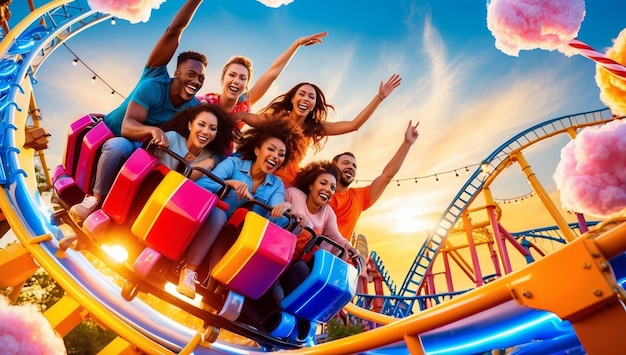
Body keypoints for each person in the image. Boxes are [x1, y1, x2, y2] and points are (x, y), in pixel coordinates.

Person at [70, 0, 206, 221]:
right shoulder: (154, 81)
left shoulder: (193, 108)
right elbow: (173, 31)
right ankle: (93, 200)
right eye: (191, 74)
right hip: (116, 135)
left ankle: (122, 218)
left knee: (156, 170)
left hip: (143, 152)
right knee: (120, 146)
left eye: (201, 78)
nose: (196, 81)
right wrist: (152, 131)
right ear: (177, 73)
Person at [177, 116, 306, 298]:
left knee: (261, 233)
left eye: (281, 154)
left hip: (238, 237)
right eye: (271, 149)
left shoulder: (276, 184)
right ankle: (189, 270)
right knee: (219, 215)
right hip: (209, 223)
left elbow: (276, 206)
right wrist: (229, 183)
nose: (275, 156)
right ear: (257, 150)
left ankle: (229, 293)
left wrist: (286, 209)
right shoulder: (234, 164)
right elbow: (203, 185)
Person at [234, 74, 402, 185]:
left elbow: (354, 125)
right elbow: (243, 115)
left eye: (311, 97)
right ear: (293, 99)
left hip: (283, 184)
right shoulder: (276, 119)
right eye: (302, 94)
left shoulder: (313, 128)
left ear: (314, 105)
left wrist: (379, 97)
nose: (306, 98)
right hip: (258, 173)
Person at [198, 31, 328, 124]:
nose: (236, 81)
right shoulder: (206, 102)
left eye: (243, 78)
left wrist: (297, 43)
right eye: (232, 75)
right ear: (222, 79)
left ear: (247, 85)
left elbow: (272, 73)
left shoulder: (244, 103)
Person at [329, 120, 420, 241]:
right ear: (333, 165)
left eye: (354, 166)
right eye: (346, 163)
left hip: (337, 255)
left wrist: (407, 144)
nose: (351, 167)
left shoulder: (359, 197)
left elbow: (386, 176)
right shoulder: (318, 187)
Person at [155, 103, 235, 180]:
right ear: (190, 125)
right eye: (201, 124)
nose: (206, 132)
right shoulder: (172, 138)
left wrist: (211, 161)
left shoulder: (209, 157)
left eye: (213, 128)